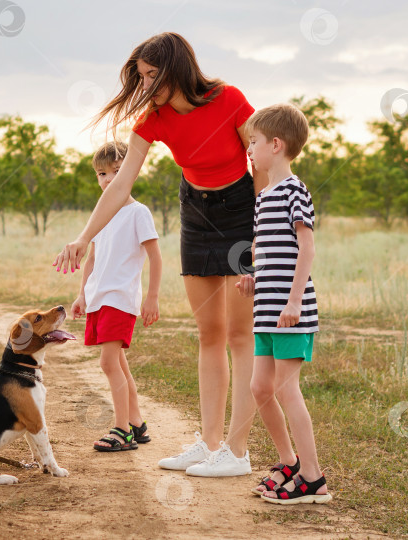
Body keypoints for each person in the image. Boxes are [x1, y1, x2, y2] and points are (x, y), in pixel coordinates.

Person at [54, 32, 264, 476]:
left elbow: (260, 168)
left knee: (239, 335)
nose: (146, 84)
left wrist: (263, 235)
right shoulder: (155, 119)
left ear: (177, 67)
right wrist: (83, 237)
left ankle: (237, 451)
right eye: (142, 77)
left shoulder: (229, 99)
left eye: (153, 74)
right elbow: (122, 184)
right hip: (196, 212)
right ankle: (209, 444)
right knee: (209, 334)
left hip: (242, 211)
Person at [237, 102, 331, 504]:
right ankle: (289, 463)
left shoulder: (295, 190)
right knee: (260, 388)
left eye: (253, 142)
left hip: (291, 312)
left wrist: (294, 300)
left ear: (275, 145)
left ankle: (313, 479)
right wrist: (255, 275)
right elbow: (274, 250)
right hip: (266, 312)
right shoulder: (264, 196)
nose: (249, 150)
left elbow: (306, 249)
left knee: (287, 390)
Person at [70, 141, 161, 452]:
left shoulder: (138, 212)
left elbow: (156, 257)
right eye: (102, 173)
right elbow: (93, 258)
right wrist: (82, 294)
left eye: (117, 172)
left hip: (121, 298)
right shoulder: (102, 213)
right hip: (99, 297)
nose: (108, 179)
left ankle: (121, 429)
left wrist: (152, 297)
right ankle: (136, 422)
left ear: (132, 173)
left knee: (108, 362)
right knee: (118, 362)